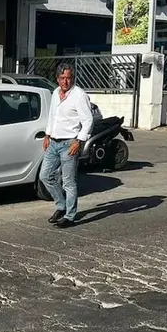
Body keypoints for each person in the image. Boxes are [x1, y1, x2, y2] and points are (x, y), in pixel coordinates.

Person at [41, 63, 94, 228]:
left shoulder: (79, 95)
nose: (66, 81)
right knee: (45, 176)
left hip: (70, 143)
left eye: (69, 78)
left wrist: (79, 141)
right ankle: (61, 205)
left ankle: (70, 216)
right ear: (57, 79)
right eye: (62, 78)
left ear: (73, 78)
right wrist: (47, 134)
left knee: (68, 182)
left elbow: (88, 120)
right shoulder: (55, 93)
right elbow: (52, 116)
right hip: (54, 142)